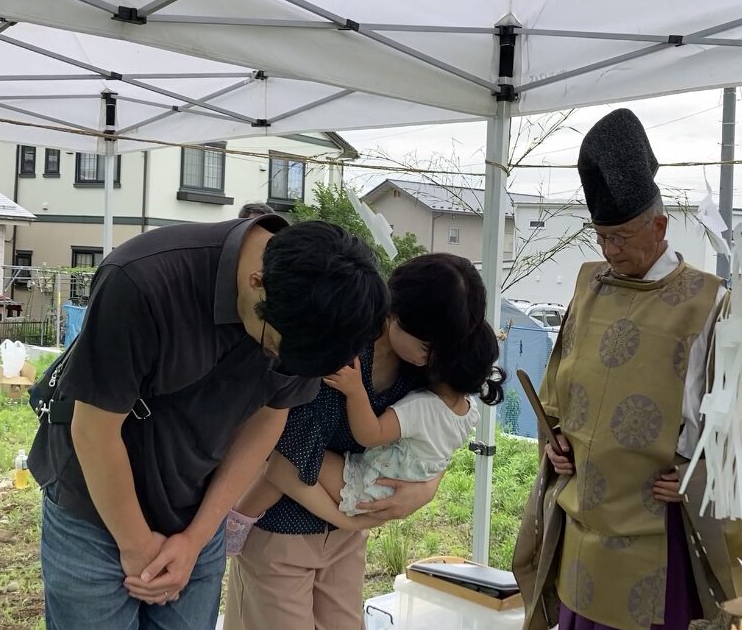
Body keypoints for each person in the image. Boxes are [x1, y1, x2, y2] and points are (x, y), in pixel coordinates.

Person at [28, 214, 388, 630]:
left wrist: (196, 539)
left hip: (197, 507)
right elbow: (95, 429)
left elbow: (269, 419)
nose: (278, 363)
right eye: (274, 348)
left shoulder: (319, 317)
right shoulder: (142, 280)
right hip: (94, 506)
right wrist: (137, 546)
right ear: (257, 282)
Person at [516, 109, 742, 630]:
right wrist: (556, 439)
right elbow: (563, 381)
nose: (610, 251)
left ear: (660, 226)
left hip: (654, 519)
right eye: (602, 237)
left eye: (622, 237)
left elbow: (730, 407)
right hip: (583, 511)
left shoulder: (707, 300)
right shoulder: (589, 283)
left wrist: (700, 472)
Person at [224, 253, 492, 630]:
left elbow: (436, 438)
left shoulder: (422, 371)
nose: (434, 359)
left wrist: (427, 488)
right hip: (283, 531)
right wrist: (348, 520)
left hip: (344, 541)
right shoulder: (337, 353)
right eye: (430, 346)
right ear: (396, 314)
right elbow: (280, 465)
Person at [229, 303, 504, 535]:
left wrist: (354, 390)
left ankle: (237, 520)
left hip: (366, 485)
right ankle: (238, 518)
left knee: (293, 455)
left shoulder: (422, 406)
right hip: (384, 491)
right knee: (290, 459)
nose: (425, 356)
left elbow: (369, 434)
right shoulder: (469, 411)